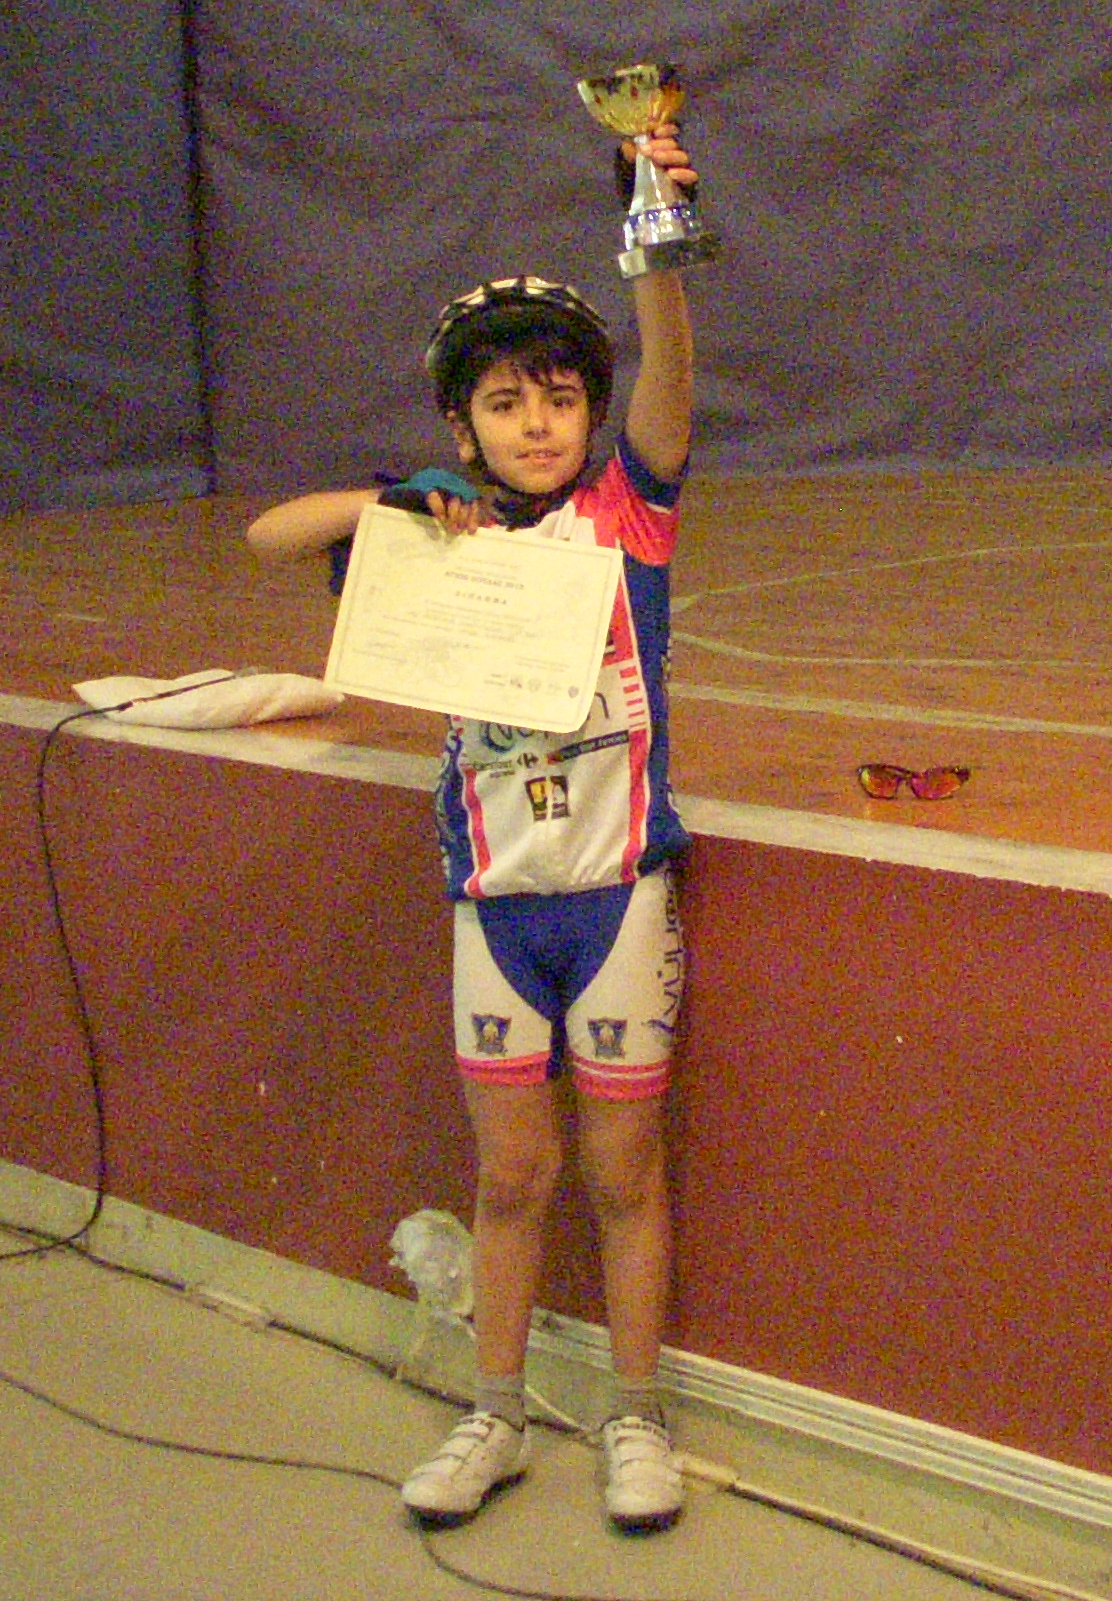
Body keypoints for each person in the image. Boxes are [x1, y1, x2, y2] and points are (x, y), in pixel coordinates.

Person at [244, 124, 701, 1538]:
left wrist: (653, 243)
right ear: (465, 429)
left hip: (619, 891)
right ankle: (494, 1413)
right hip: (493, 904)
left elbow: (671, 377)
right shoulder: (435, 526)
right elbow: (270, 537)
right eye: (505, 404)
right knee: (511, 1176)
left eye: (561, 399)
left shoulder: (626, 515)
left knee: (622, 1175)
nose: (538, 424)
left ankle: (637, 1418)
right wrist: (390, 501)